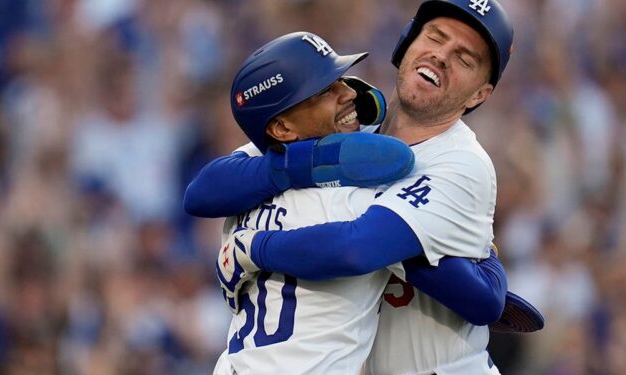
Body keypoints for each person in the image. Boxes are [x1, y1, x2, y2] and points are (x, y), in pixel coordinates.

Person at [202, 1, 526, 373]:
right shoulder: (350, 125)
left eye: (465, 59)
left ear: (479, 95)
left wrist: (253, 247)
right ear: (406, 43)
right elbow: (207, 187)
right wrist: (302, 167)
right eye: (435, 37)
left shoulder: (462, 163)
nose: (441, 56)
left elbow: (358, 248)